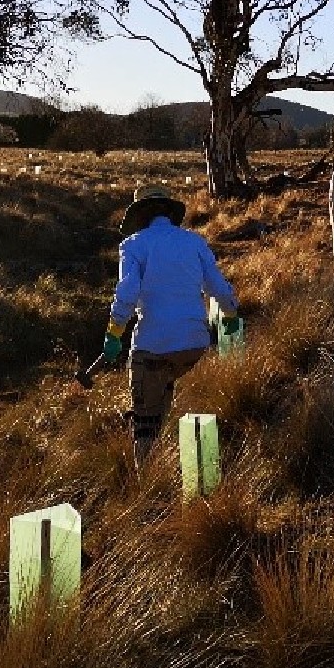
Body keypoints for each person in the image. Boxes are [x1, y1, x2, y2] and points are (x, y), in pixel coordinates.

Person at [104, 184, 239, 467]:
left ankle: (148, 483)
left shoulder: (133, 245)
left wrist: (114, 332)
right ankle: (189, 468)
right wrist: (230, 316)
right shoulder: (194, 242)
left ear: (140, 215)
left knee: (146, 425)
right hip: (194, 346)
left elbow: (127, 292)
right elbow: (219, 288)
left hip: (152, 347)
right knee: (178, 409)